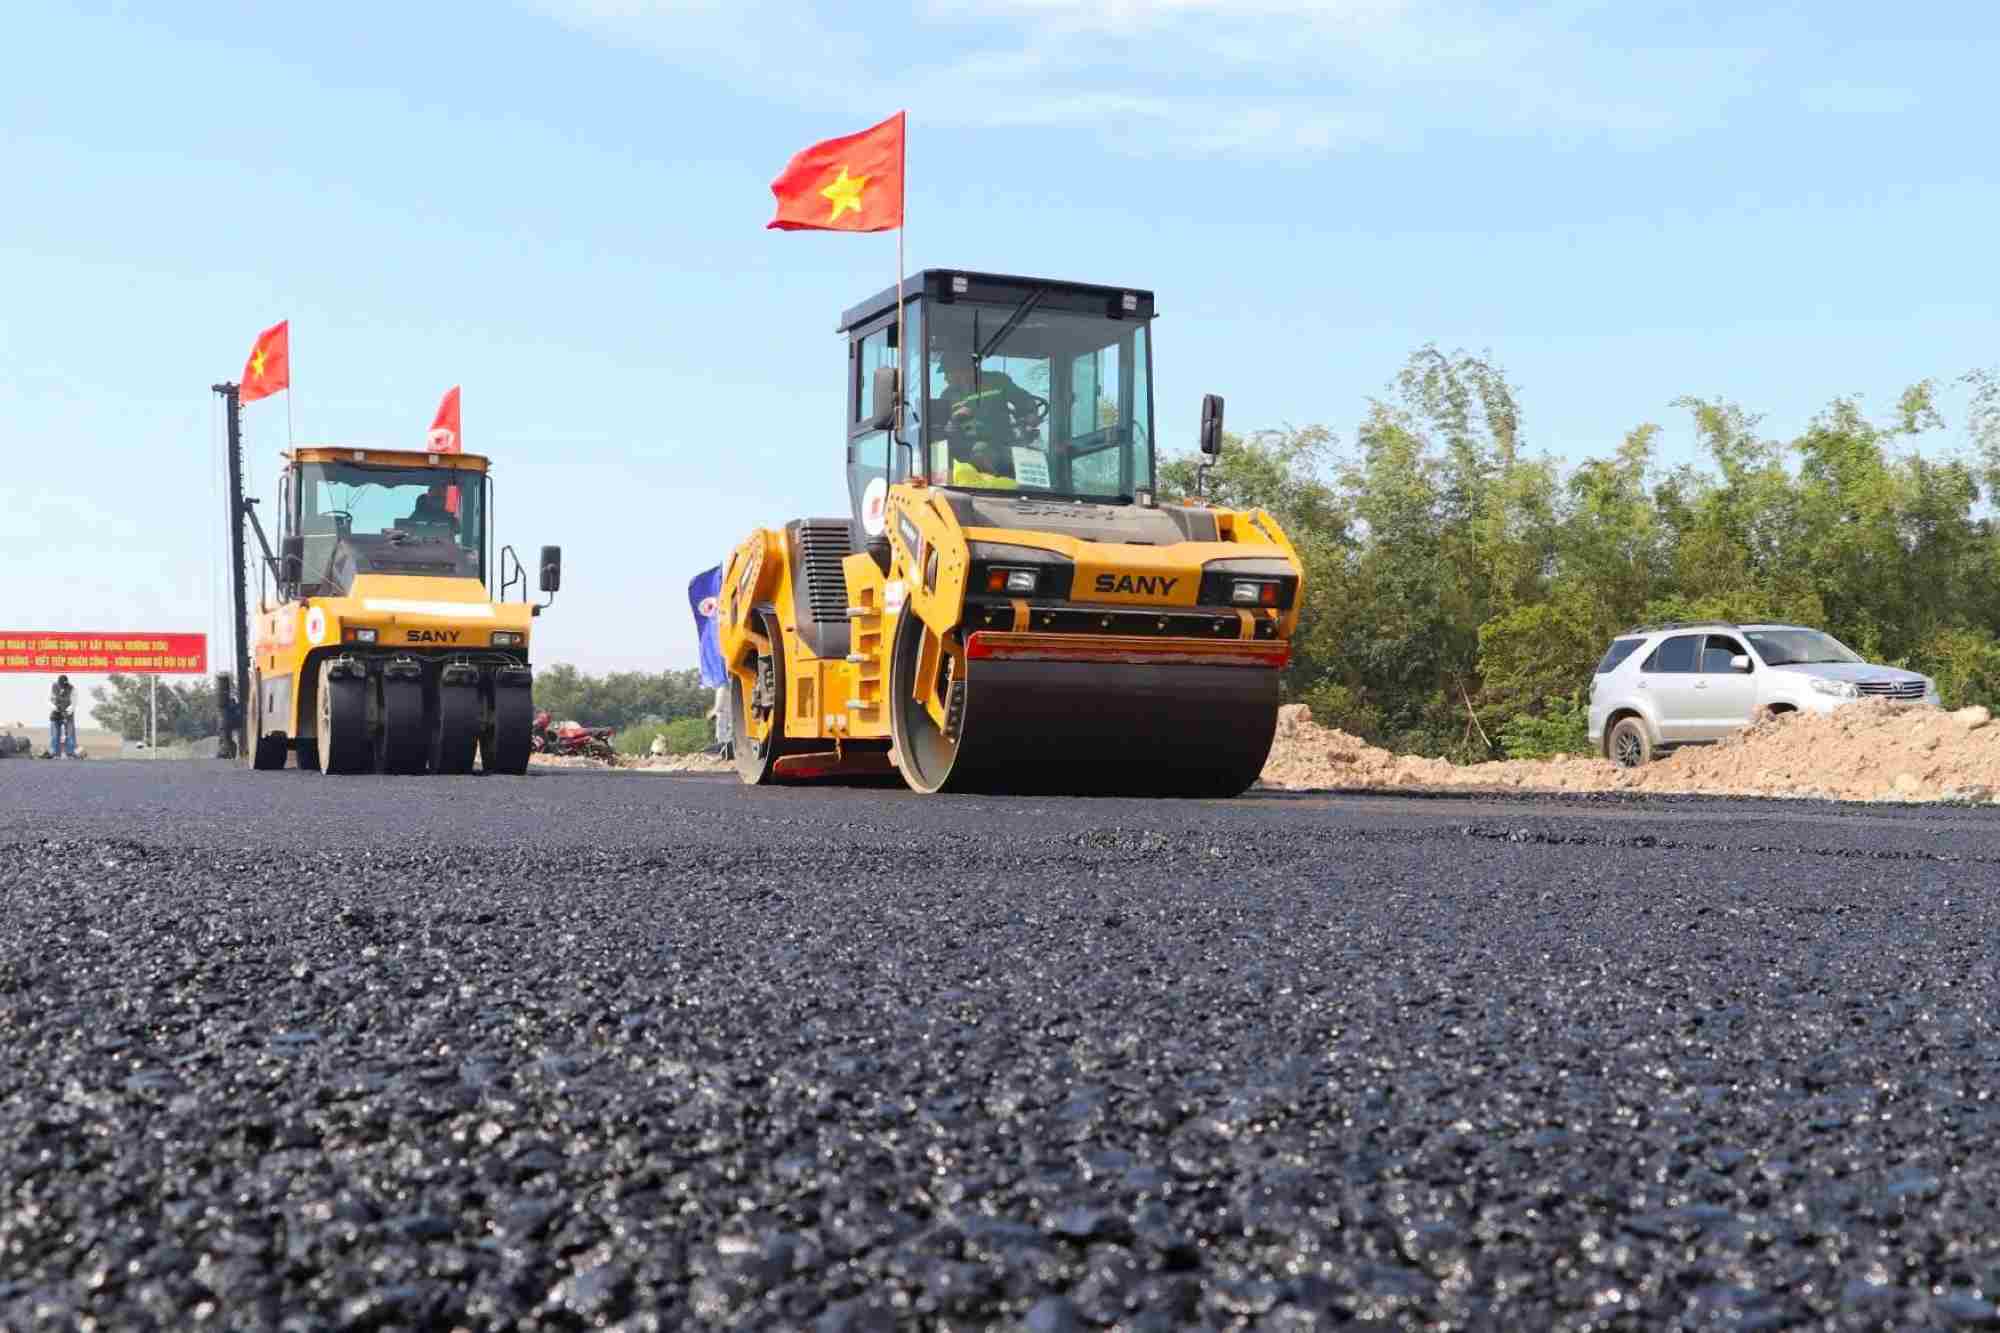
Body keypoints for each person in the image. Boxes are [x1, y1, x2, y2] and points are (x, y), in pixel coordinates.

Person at [934, 355, 1045, 483]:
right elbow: (942, 428)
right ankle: (991, 486)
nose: (945, 378)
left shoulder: (997, 381)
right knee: (977, 452)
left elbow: (1024, 400)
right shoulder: (947, 395)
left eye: (948, 372)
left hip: (1003, 443)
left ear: (963, 369)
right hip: (967, 449)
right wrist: (954, 420)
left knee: (1036, 458)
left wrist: (1031, 414)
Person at [48, 675, 77, 758]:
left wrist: (67, 711)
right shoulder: (53, 687)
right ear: (58, 683)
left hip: (68, 713)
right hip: (56, 713)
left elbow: (74, 703)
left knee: (70, 735)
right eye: (61, 685)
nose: (63, 687)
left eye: (65, 685)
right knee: (55, 734)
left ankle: (70, 753)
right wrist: (55, 708)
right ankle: (55, 753)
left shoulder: (72, 688)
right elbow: (49, 700)